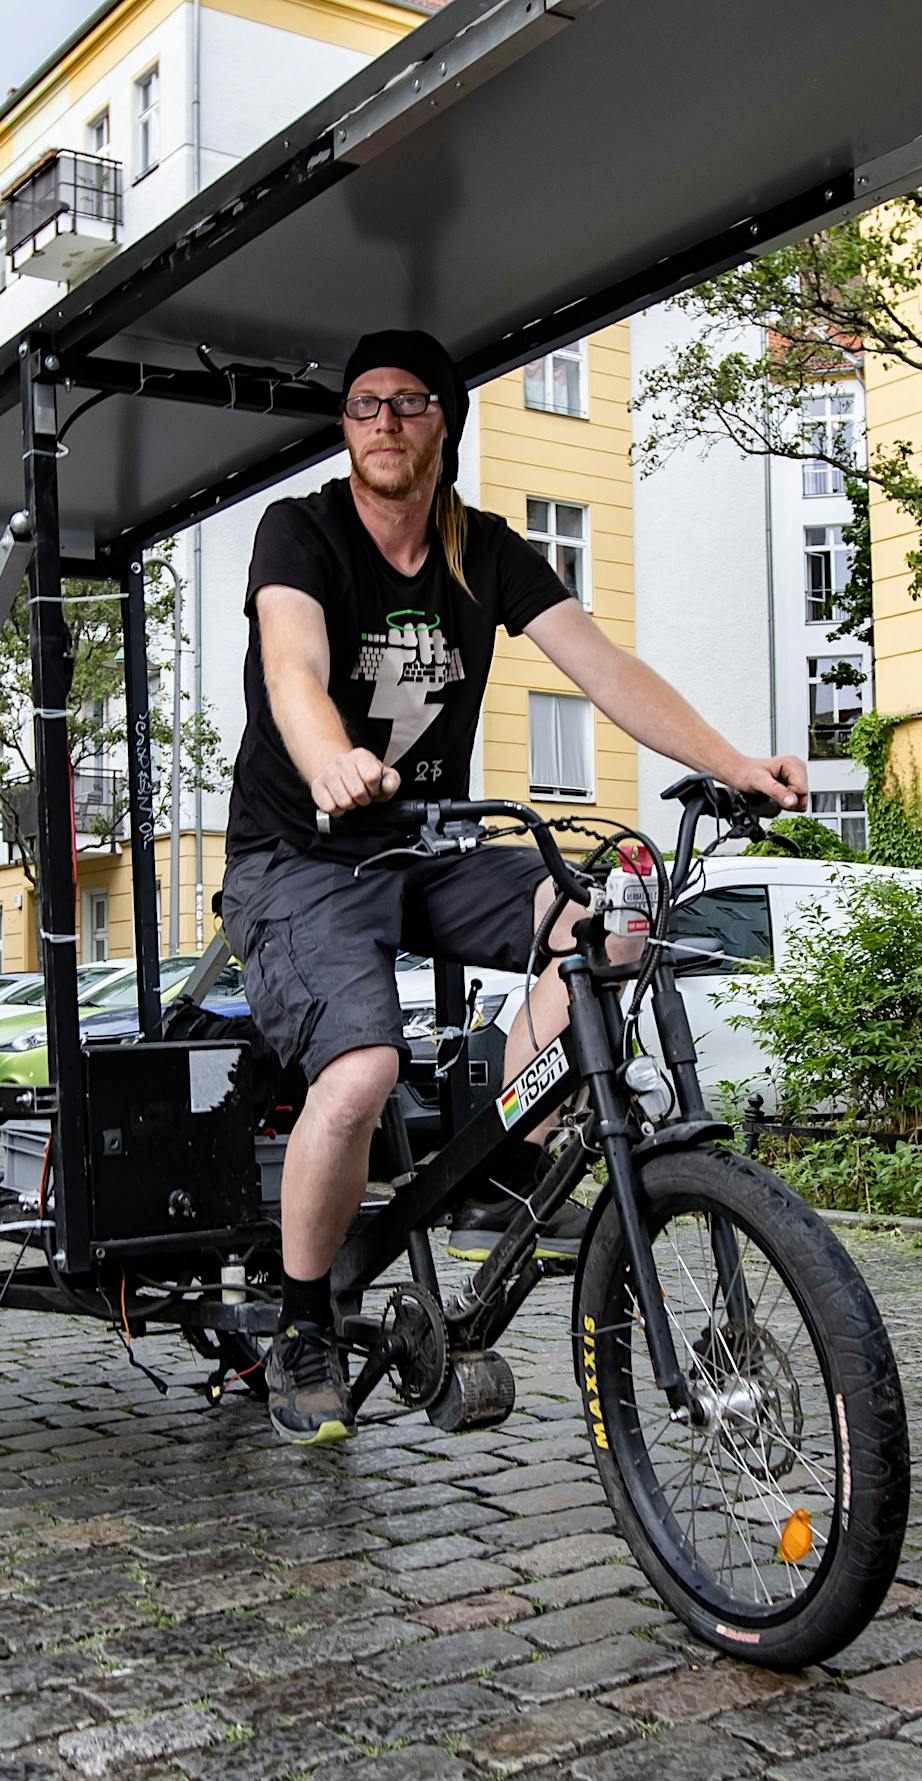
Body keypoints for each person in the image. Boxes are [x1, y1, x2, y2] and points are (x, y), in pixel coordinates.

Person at [222, 329, 807, 1445]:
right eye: (362, 406)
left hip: (431, 845)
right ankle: (303, 1321)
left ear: (443, 421)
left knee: (612, 925)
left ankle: (498, 1146)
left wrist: (733, 761)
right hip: (300, 853)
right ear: (345, 428)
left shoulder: (483, 550)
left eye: (406, 405)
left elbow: (604, 667)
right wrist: (329, 758)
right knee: (356, 1074)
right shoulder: (299, 530)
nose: (382, 423)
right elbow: (290, 665)